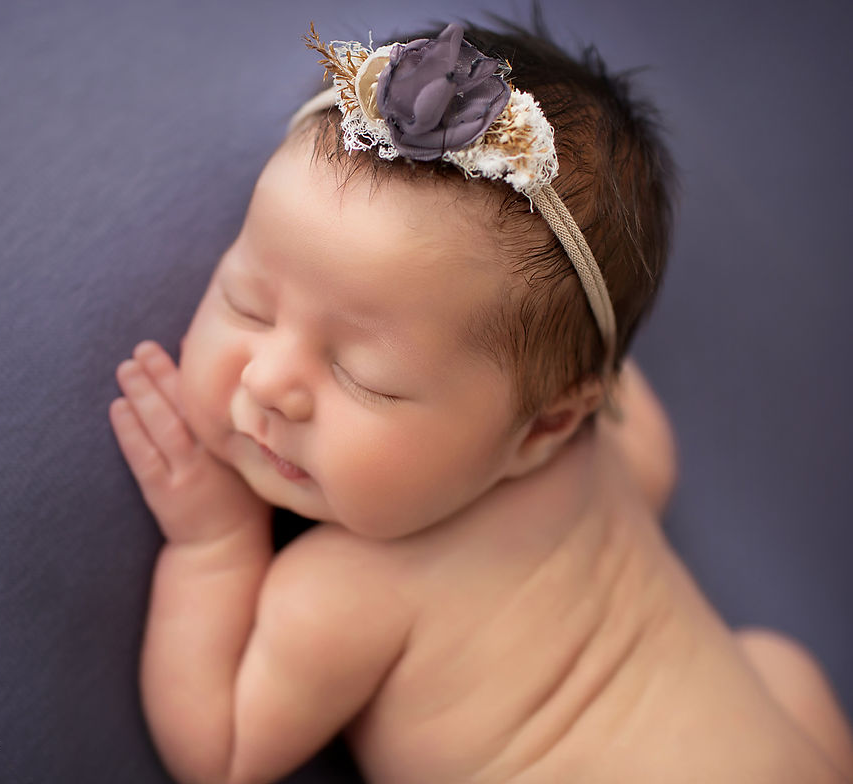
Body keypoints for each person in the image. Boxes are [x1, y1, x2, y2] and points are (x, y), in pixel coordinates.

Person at [108, 19, 853, 784]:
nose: (266, 383)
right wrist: (565, 341)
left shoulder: (342, 596)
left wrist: (214, 545)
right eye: (248, 303)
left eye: (366, 377)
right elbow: (647, 453)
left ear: (550, 426)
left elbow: (220, 753)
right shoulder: (611, 448)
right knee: (779, 665)